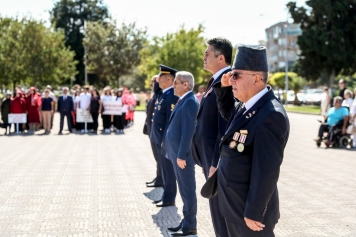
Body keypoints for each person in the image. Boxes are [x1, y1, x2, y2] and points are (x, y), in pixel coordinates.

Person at [214, 46, 290, 236]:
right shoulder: (246, 105)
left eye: (236, 75)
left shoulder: (271, 115)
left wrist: (254, 211)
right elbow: (229, 117)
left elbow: (267, 170)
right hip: (235, 206)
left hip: (249, 215)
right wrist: (224, 89)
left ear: (256, 78)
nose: (231, 79)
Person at [191, 37, 232, 237]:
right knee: (216, 210)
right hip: (209, 157)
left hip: (216, 159)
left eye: (208, 53)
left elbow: (224, 128)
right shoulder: (216, 80)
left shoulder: (226, 84)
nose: (203, 57)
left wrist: (215, 161)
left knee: (220, 211)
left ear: (221, 58)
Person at [164, 71, 199, 236]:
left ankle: (190, 225)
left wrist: (181, 155)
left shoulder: (190, 102)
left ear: (186, 85)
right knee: (184, 190)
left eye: (176, 82)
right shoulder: (183, 100)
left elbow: (188, 132)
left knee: (187, 190)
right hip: (177, 154)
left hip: (182, 157)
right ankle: (186, 222)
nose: (173, 85)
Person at [150, 65, 179, 207]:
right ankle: (165, 195)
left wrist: (165, 141)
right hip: (158, 139)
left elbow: (170, 121)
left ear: (169, 79)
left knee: (168, 171)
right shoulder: (163, 94)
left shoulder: (172, 95)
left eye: (160, 77)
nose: (157, 79)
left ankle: (169, 198)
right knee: (164, 169)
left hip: (165, 141)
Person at [145, 76, 163, 188]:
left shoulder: (159, 94)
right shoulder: (154, 96)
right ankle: (158, 177)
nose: (152, 83)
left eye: (154, 81)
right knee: (157, 158)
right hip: (151, 130)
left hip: (156, 131)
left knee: (159, 158)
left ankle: (160, 179)